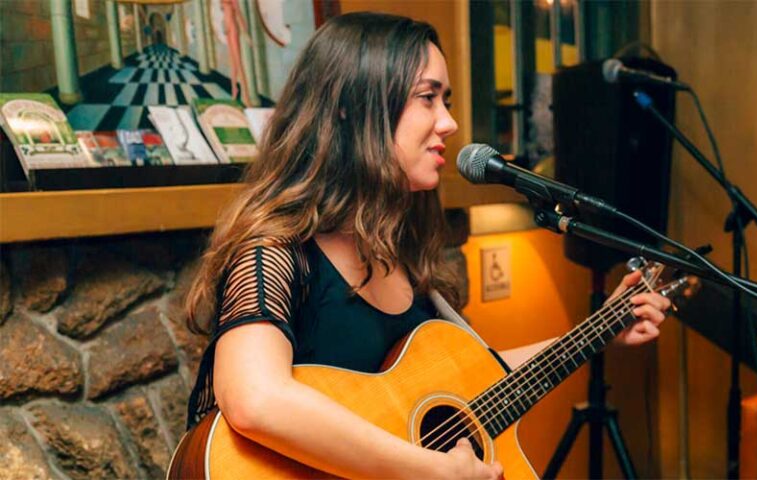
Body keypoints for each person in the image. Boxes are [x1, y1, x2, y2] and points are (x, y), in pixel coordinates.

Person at [184, 12, 671, 480]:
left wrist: (601, 328)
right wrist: (429, 469)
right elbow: (254, 399)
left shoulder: (398, 251)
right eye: (427, 98)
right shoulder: (275, 253)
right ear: (353, 108)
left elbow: (480, 379)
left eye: (448, 100)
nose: (449, 124)